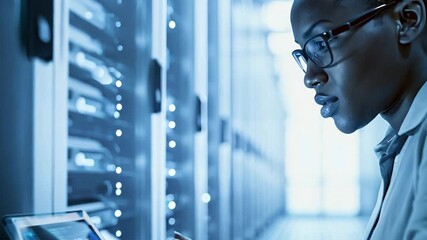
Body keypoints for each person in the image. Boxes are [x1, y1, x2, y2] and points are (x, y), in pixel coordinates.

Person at [290, 0, 427, 239]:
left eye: (321, 43)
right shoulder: (398, 149)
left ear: (407, 21)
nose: (310, 78)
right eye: (305, 54)